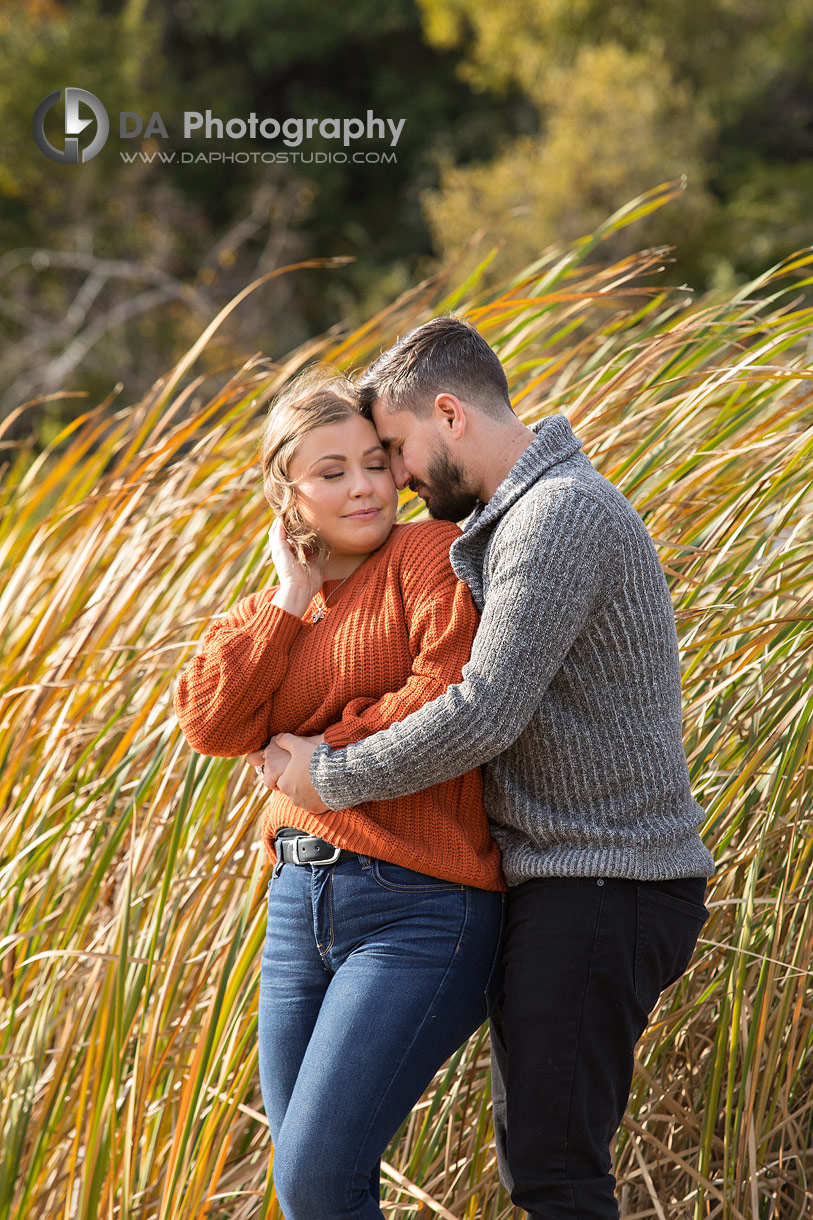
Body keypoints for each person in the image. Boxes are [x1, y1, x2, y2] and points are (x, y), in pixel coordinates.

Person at [267, 317, 717, 1220]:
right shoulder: (518, 518)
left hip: (604, 875)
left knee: (553, 1174)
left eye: (394, 448)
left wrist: (330, 778)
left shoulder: (558, 516)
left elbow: (481, 711)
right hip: (567, 879)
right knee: (540, 1169)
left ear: (449, 414)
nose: (394, 475)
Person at [172, 367, 506, 1220]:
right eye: (330, 472)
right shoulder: (264, 613)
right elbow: (213, 725)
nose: (363, 487)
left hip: (420, 903)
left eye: (372, 462)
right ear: (286, 491)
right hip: (296, 904)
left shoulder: (426, 556)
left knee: (316, 1182)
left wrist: (320, 749)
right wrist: (292, 598)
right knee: (307, 1192)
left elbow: (448, 690)